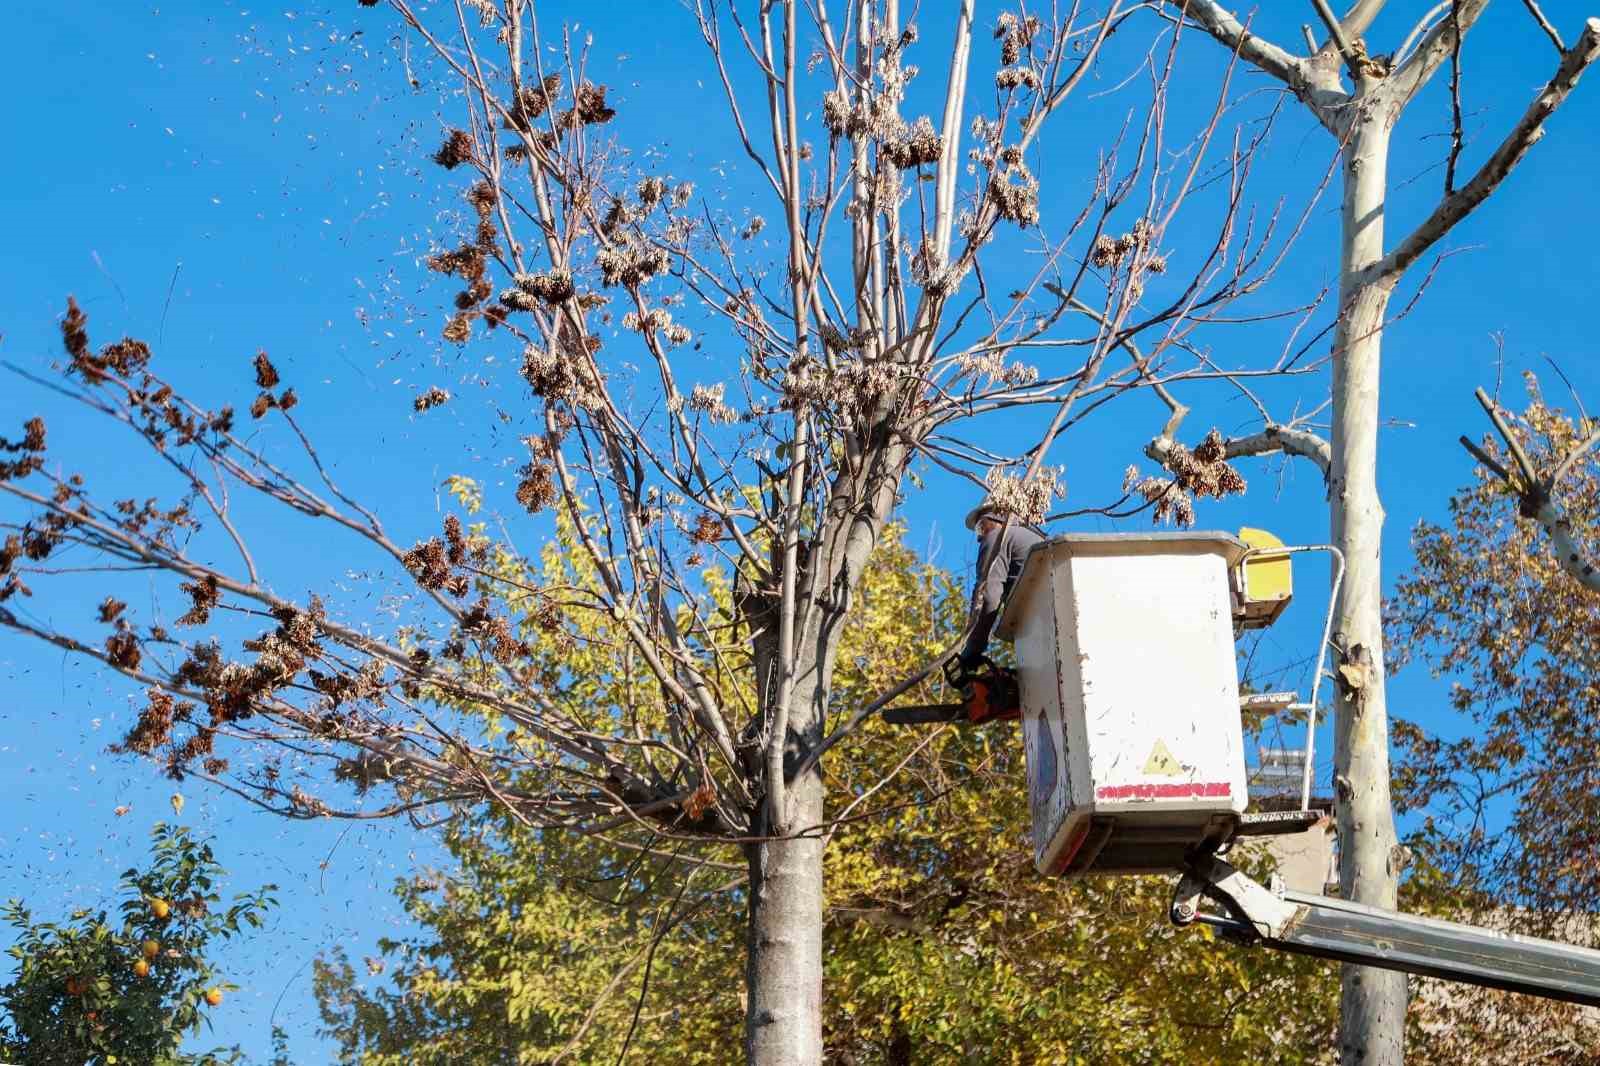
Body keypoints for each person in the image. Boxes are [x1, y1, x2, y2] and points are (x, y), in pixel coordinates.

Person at [958, 499, 1044, 673]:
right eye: (978, 530)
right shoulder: (1030, 537)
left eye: (982, 527)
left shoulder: (998, 537)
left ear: (999, 519)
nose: (979, 537)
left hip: (1038, 618)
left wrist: (974, 647)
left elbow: (988, 596)